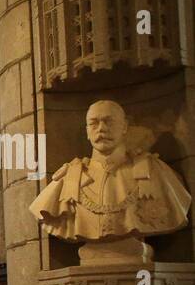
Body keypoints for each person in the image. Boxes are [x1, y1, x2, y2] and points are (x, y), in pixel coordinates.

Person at [29, 100, 190, 254]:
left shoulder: (155, 171)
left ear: (125, 127)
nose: (101, 129)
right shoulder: (68, 178)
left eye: (109, 121)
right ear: (87, 131)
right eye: (94, 123)